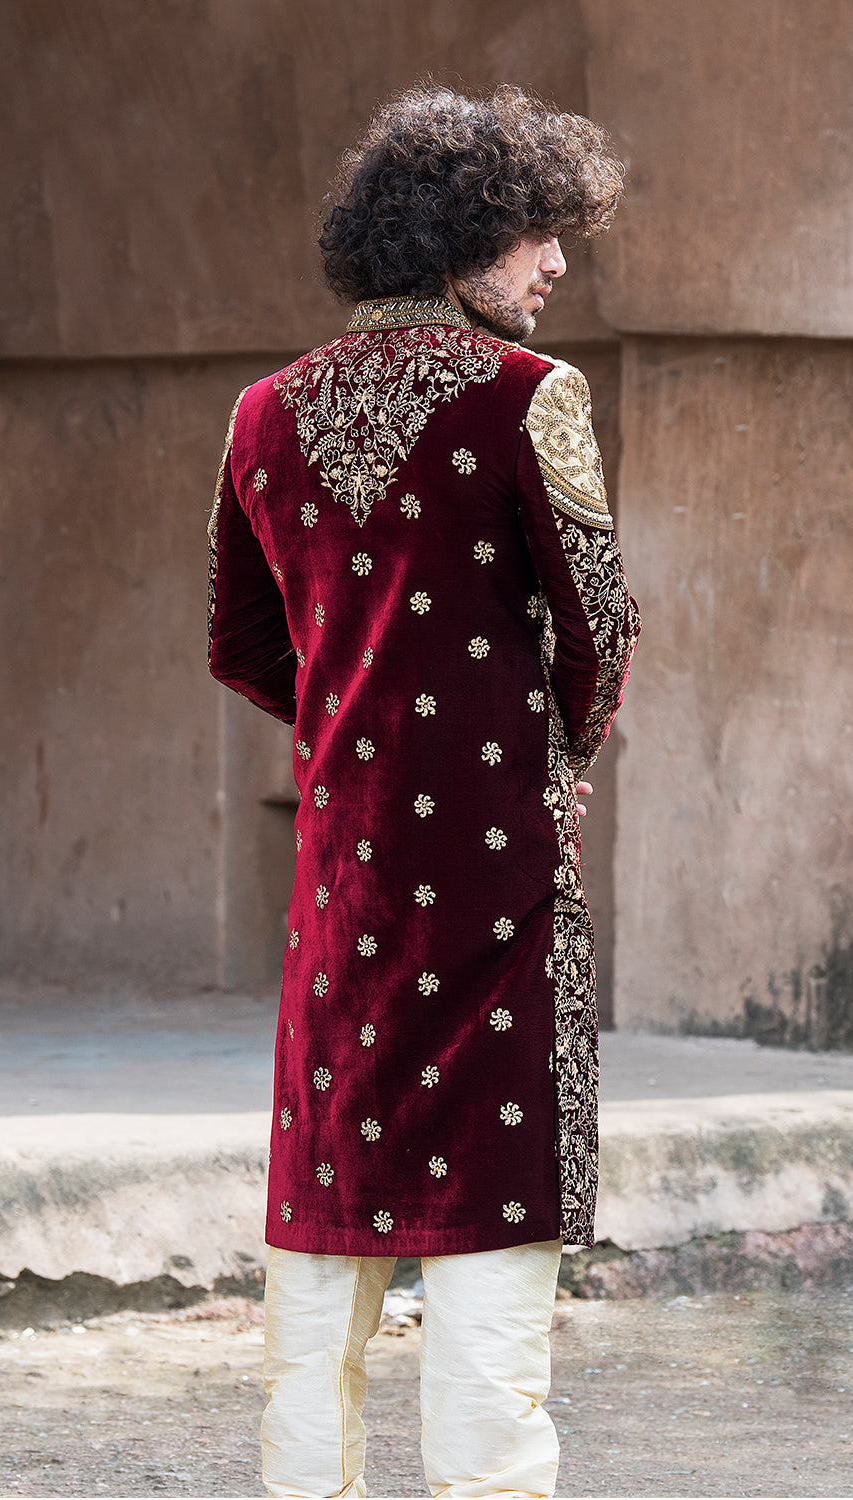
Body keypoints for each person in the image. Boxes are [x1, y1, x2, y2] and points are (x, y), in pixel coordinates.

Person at [207, 83, 640, 1499]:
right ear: (454, 237)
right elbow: (597, 638)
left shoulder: (262, 414)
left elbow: (243, 643)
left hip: (346, 883)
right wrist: (523, 760)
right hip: (498, 885)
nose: (554, 264)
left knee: (329, 1228)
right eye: (531, 234)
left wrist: (362, 731)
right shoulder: (535, 399)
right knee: (489, 1227)